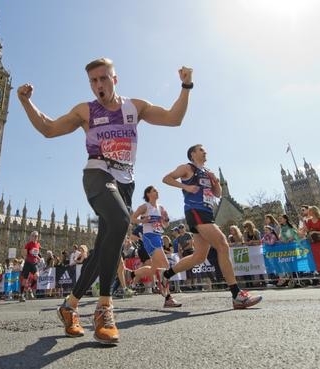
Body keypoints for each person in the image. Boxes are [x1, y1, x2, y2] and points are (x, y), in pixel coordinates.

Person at [18, 57, 193, 345]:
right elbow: (49, 128)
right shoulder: (85, 111)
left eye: (103, 78)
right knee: (122, 220)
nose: (99, 85)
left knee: (102, 251)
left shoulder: (135, 107)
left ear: (115, 79)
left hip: (125, 182)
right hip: (97, 174)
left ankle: (69, 305)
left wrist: (186, 85)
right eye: (93, 81)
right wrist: (26, 102)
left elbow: (174, 118)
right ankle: (104, 308)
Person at [162, 144, 262, 309]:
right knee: (222, 244)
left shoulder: (207, 172)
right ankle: (237, 294)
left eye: (205, 150)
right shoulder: (187, 167)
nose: (205, 151)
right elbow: (166, 178)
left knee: (199, 257)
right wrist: (186, 186)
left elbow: (217, 194)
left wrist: (215, 183)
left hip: (208, 213)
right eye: (201, 149)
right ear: (193, 154)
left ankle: (166, 275)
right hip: (195, 211)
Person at [129, 185, 181, 308]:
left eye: (157, 190)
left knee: (154, 269)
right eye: (154, 191)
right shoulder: (145, 206)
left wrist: (166, 219)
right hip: (149, 237)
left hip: (158, 236)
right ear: (148, 194)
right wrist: (143, 221)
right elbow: (132, 218)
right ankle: (168, 297)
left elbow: (165, 225)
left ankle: (132, 274)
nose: (157, 192)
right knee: (166, 266)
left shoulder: (161, 207)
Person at [20, 231, 41, 302]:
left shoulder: (38, 244)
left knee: (37, 276)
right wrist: (27, 256)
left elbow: (36, 253)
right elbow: (24, 254)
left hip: (34, 263)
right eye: (34, 236)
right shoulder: (28, 244)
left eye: (36, 236)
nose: (35, 237)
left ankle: (30, 289)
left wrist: (38, 258)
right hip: (28, 263)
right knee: (24, 280)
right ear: (31, 237)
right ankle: (22, 295)